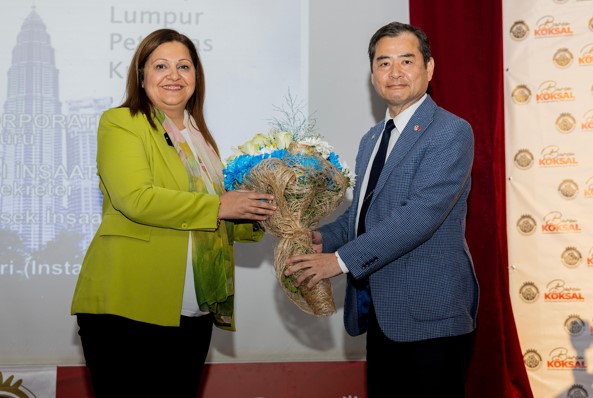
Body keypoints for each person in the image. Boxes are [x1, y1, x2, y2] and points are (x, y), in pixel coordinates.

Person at [70, 28, 276, 398]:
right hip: (128, 305)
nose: (173, 75)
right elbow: (135, 198)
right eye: (161, 66)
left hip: (193, 310)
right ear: (141, 76)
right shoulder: (122, 122)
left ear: (196, 77)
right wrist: (219, 205)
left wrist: (270, 214)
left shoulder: (201, 137)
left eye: (184, 66)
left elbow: (220, 218)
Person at [284, 21, 479, 397]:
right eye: (383, 62)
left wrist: (338, 261)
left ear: (430, 68)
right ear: (372, 73)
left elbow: (419, 216)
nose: (395, 72)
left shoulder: (451, 132)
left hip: (431, 316)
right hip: (382, 312)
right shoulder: (372, 138)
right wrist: (320, 238)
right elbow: (363, 214)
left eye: (406, 61)